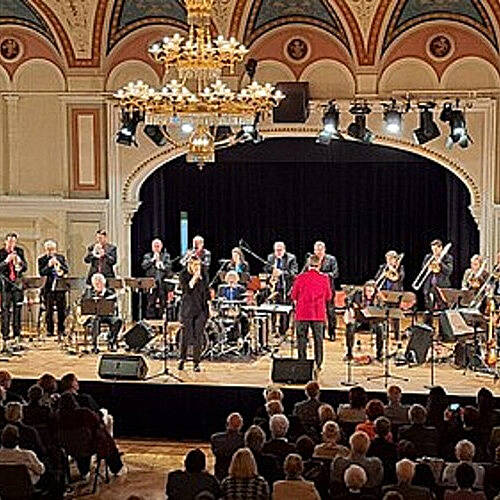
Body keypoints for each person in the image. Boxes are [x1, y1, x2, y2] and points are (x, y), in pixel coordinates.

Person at [291, 255, 332, 372]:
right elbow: (329, 296)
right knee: (318, 339)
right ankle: (318, 364)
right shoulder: (324, 278)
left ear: (308, 265)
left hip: (302, 313)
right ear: (319, 265)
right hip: (318, 313)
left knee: (301, 339)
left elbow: (294, 295)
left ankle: (302, 362)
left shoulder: (300, 278)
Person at [303, 241, 339, 341]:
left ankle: (332, 332)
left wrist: (322, 275)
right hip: (314, 290)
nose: (318, 252)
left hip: (328, 288)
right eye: (316, 250)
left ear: (324, 250)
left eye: (320, 250)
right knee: (318, 312)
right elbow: (304, 271)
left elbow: (335, 273)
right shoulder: (311, 259)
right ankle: (320, 332)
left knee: (330, 311)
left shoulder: (331, 259)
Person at [178, 257, 209, 372]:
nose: (197, 267)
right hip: (188, 310)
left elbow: (206, 292)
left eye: (198, 265)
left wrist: (209, 306)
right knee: (186, 335)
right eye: (195, 265)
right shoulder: (184, 275)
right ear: (190, 265)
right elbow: (187, 289)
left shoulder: (203, 275)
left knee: (198, 337)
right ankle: (182, 359)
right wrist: (194, 278)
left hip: (201, 309)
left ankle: (196, 362)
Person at [82, 273, 122, 353]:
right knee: (95, 320)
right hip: (94, 315)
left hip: (107, 315)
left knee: (118, 321)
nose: (97, 285)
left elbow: (114, 305)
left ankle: (111, 341)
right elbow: (83, 303)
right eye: (95, 284)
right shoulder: (89, 292)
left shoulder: (110, 292)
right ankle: (94, 345)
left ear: (103, 283)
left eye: (99, 283)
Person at [0, 232, 27, 349]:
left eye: (14, 242)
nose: (12, 244)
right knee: (5, 311)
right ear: (5, 242)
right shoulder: (1, 253)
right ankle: (5, 335)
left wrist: (20, 262)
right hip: (5, 285)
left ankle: (17, 334)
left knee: (17, 310)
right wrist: (6, 261)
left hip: (17, 285)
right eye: (10, 241)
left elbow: (25, 267)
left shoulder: (19, 251)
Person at [344, 281, 383, 361]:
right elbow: (347, 300)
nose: (369, 293)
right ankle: (349, 353)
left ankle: (379, 354)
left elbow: (382, 310)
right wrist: (350, 308)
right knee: (350, 327)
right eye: (367, 291)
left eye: (371, 291)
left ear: (374, 291)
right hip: (359, 321)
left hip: (372, 322)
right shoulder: (358, 294)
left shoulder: (378, 298)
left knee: (380, 328)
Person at [264, 241, 297, 334]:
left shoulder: (291, 258)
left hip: (285, 287)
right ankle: (273, 329)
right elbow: (266, 269)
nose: (278, 252)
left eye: (280, 250)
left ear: (284, 250)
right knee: (272, 308)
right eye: (276, 250)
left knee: (284, 309)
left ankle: (283, 330)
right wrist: (271, 271)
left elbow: (294, 272)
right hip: (274, 287)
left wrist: (282, 273)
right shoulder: (271, 257)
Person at [38, 240, 69, 338]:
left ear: (55, 249)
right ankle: (50, 330)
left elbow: (66, 269)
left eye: (52, 249)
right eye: (48, 249)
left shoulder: (61, 258)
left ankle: (61, 329)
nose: (51, 251)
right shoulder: (42, 259)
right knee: (49, 310)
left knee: (61, 309)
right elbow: (41, 272)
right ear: (45, 250)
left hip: (60, 287)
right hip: (48, 287)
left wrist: (59, 265)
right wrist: (49, 265)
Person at [420, 239, 453, 330]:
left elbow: (448, 271)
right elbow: (424, 269)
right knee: (428, 310)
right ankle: (428, 331)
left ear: (441, 248)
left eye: (436, 249)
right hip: (429, 286)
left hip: (441, 287)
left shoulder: (448, 258)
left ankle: (443, 332)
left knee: (443, 311)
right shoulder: (428, 257)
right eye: (433, 249)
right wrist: (430, 264)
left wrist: (440, 263)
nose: (434, 252)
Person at [374, 250, 405, 340]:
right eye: (388, 259)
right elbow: (376, 278)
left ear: (395, 259)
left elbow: (400, 278)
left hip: (395, 294)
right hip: (384, 294)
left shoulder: (400, 267)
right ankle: (384, 334)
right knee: (383, 315)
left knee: (395, 316)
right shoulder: (383, 267)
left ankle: (396, 335)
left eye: (391, 259)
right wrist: (383, 274)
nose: (389, 261)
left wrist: (394, 270)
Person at [141, 238, 173, 319]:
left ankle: (161, 319)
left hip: (163, 283)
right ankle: (151, 319)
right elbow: (144, 266)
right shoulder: (148, 256)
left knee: (163, 302)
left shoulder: (166, 256)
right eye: (155, 246)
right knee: (150, 302)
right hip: (151, 283)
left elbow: (169, 267)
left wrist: (162, 265)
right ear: (152, 247)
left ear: (161, 247)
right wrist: (153, 260)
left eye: (158, 246)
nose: (156, 248)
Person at [210, 412, 245, 481]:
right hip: (237, 476)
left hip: (220, 476)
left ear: (227, 423)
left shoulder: (215, 438)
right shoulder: (243, 440)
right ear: (241, 425)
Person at [367, 417, 397, 484]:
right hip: (388, 478)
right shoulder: (392, 447)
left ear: (374, 429)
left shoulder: (369, 445)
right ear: (388, 431)